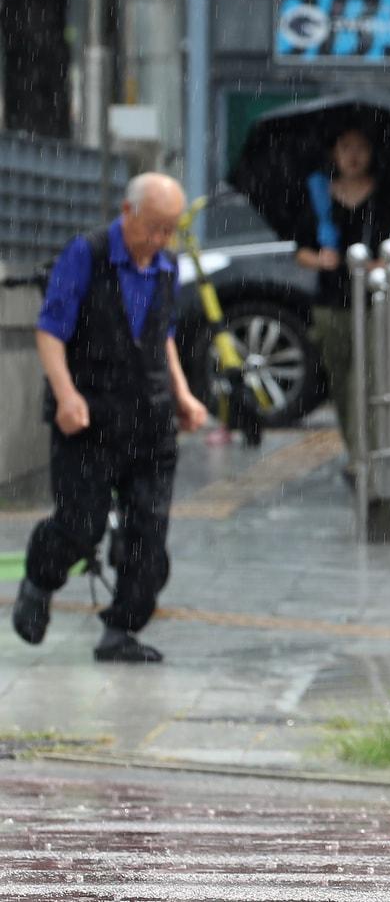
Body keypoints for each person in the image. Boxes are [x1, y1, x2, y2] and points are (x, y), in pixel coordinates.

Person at [12, 173, 209, 662]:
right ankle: (39, 580)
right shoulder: (87, 254)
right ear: (128, 212)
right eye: (154, 227)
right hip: (89, 418)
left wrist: (183, 394)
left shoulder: (166, 266)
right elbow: (50, 329)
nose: (161, 239)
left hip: (151, 420)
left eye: (171, 229)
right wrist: (65, 395)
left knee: (149, 533)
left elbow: (162, 337)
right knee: (81, 525)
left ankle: (121, 630)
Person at [294, 125, 390, 468]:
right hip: (331, 300)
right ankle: (356, 451)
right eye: (345, 147)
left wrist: (378, 263)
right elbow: (300, 250)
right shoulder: (318, 194)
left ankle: (370, 452)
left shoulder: (386, 193)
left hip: (373, 300)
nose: (353, 156)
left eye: (360, 147)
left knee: (369, 374)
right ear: (334, 154)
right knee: (340, 378)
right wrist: (319, 259)